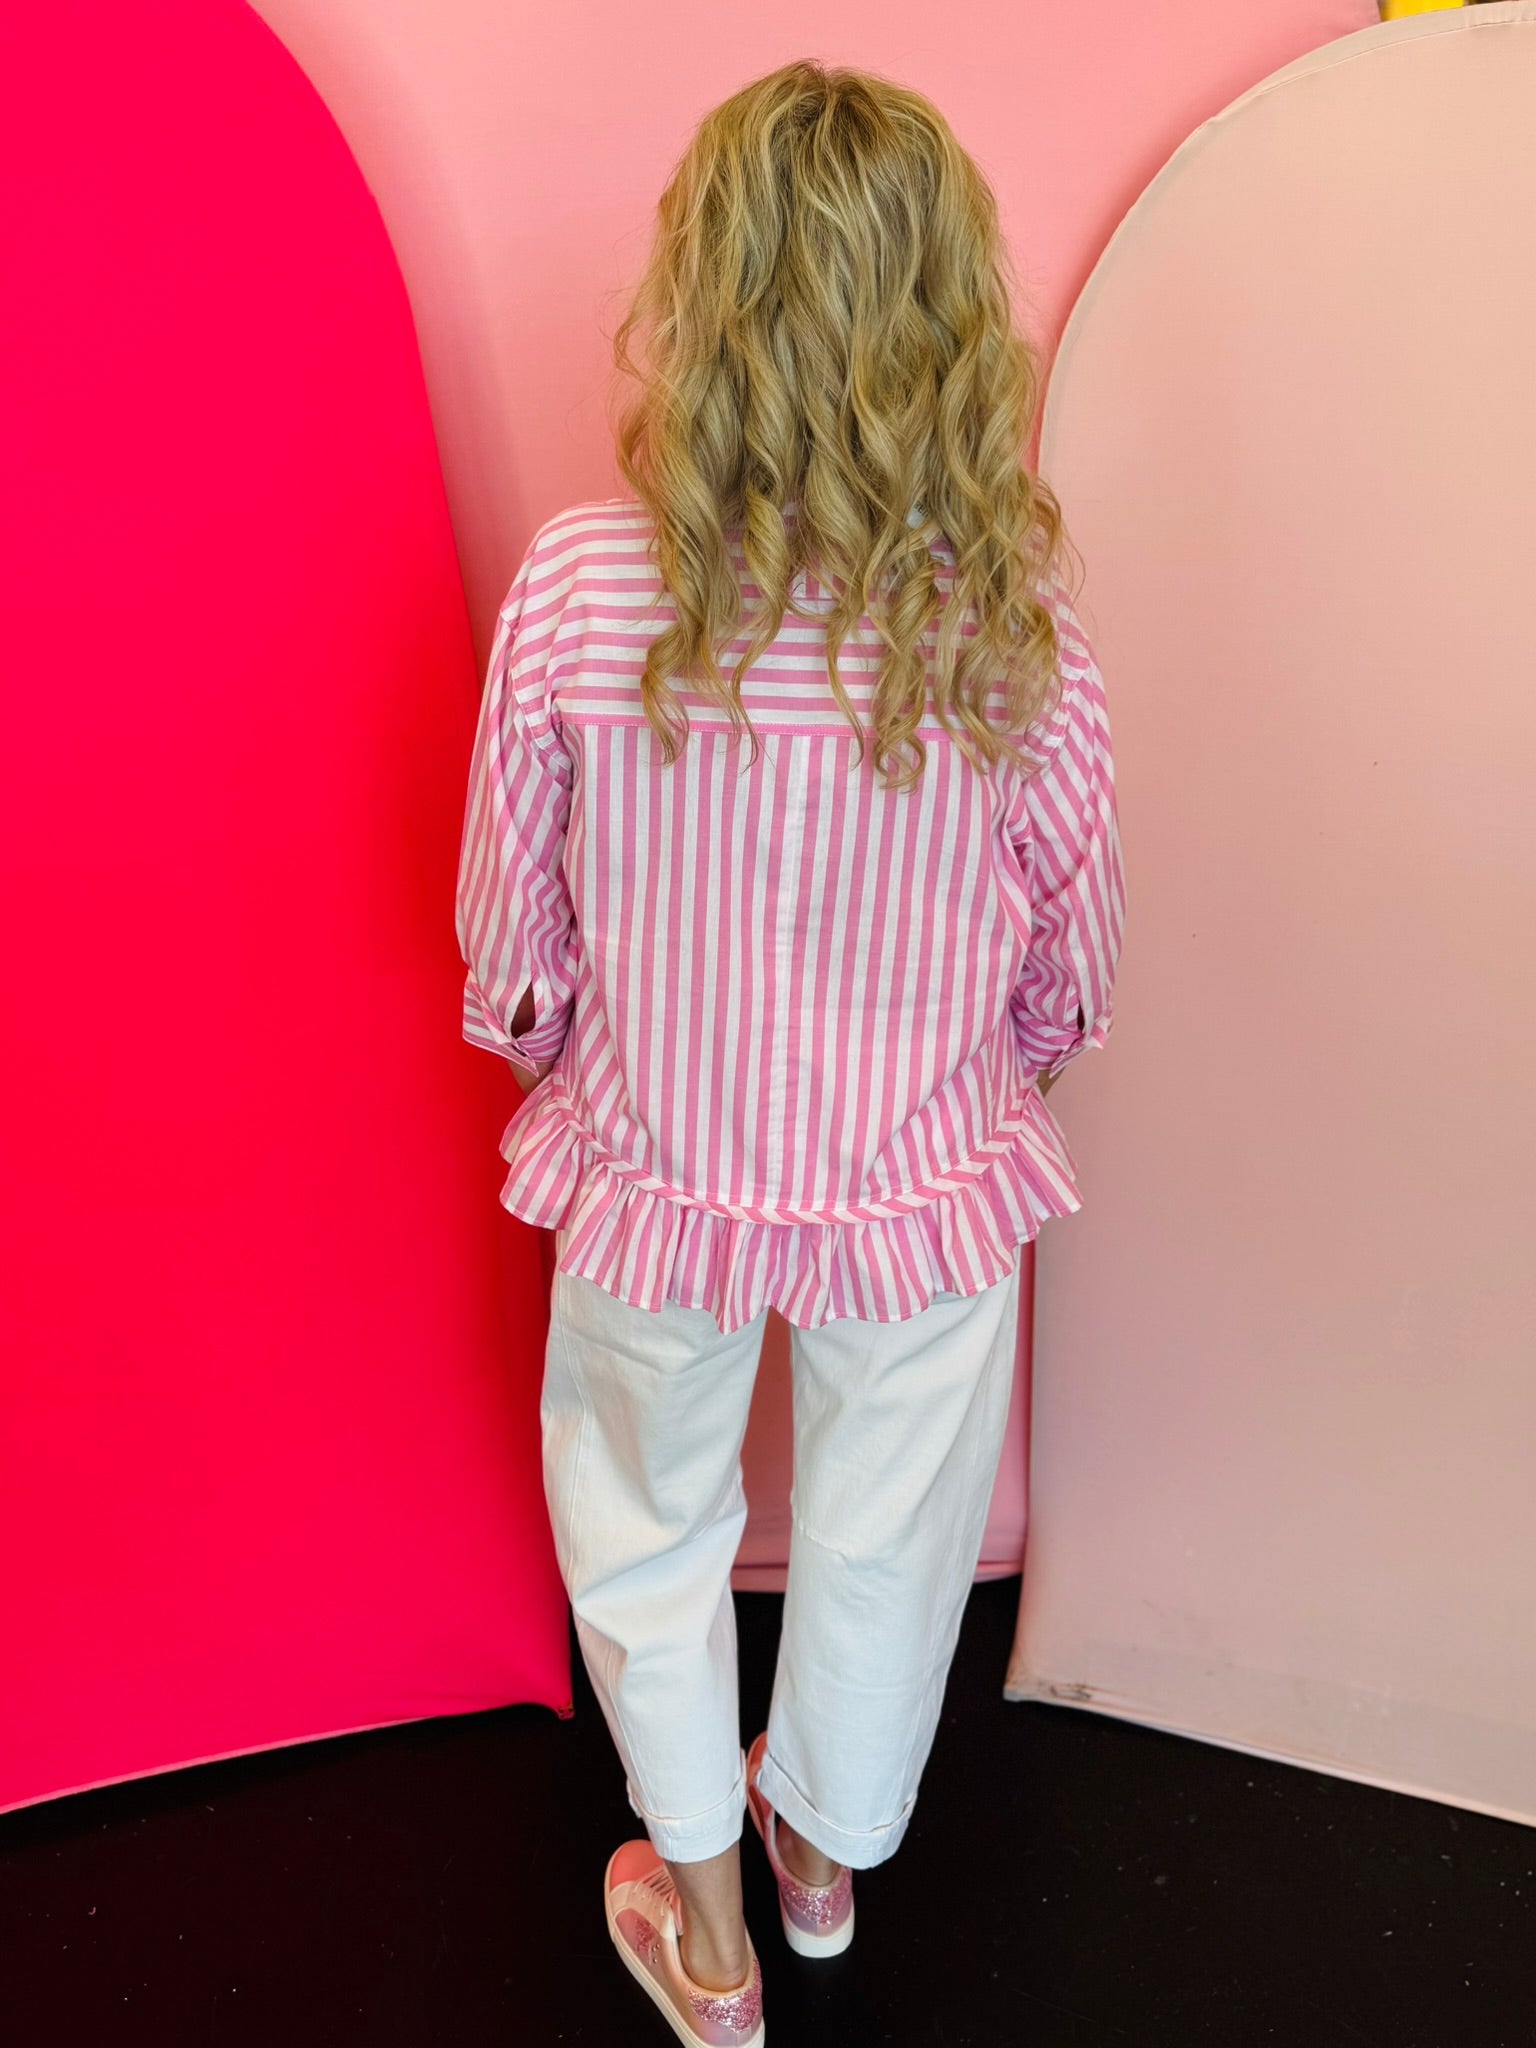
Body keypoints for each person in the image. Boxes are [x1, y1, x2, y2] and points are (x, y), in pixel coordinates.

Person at [454, 59, 1124, 2046]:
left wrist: (561, 1058)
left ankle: (712, 1934)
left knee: (642, 1517)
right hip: (920, 1178)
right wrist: (1003, 1065)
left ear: (703, 294)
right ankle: (821, 1855)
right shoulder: (1013, 632)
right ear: (946, 316)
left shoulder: (582, 589)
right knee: (892, 1538)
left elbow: (512, 943)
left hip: (657, 1165)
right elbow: (1074, 955)